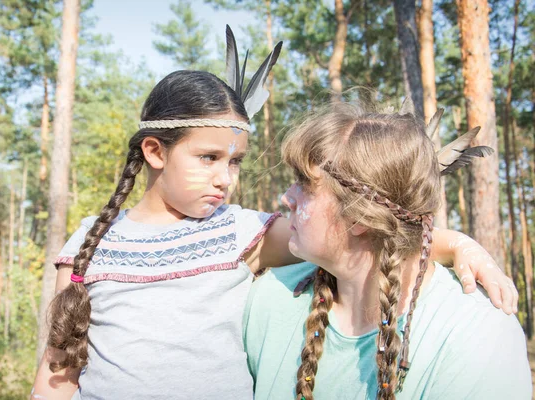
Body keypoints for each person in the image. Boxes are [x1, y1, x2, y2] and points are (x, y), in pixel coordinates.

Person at [32, 28, 517, 399]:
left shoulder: (239, 233)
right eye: (208, 159)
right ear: (156, 152)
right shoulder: (87, 248)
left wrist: (460, 245)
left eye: (235, 161)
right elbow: (57, 376)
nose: (226, 178)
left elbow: (382, 228)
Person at [244, 99, 531, 400]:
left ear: (359, 215)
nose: (286, 197)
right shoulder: (268, 300)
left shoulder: (476, 336)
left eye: (305, 184)